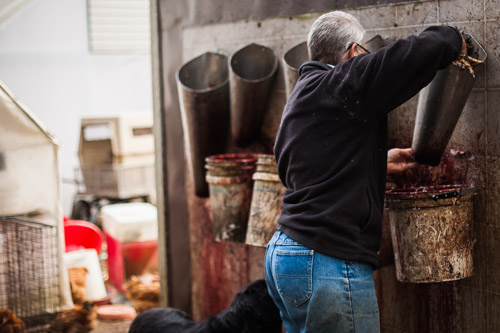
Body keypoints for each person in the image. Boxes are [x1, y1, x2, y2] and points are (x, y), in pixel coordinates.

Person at [265, 11, 465, 333]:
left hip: (285, 253)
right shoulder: (345, 82)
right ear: (355, 52)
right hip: (326, 259)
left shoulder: (304, 92)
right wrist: (454, 38)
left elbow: (305, 167)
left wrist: (377, 162)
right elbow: (409, 57)